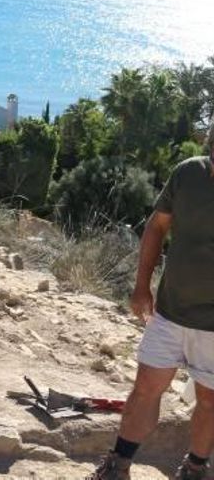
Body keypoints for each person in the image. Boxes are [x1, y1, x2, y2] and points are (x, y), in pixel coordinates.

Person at [88, 128, 214, 480]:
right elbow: (157, 227)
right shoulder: (189, 173)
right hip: (171, 311)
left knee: (209, 401)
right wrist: (141, 286)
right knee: (145, 389)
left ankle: (194, 468)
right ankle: (118, 465)